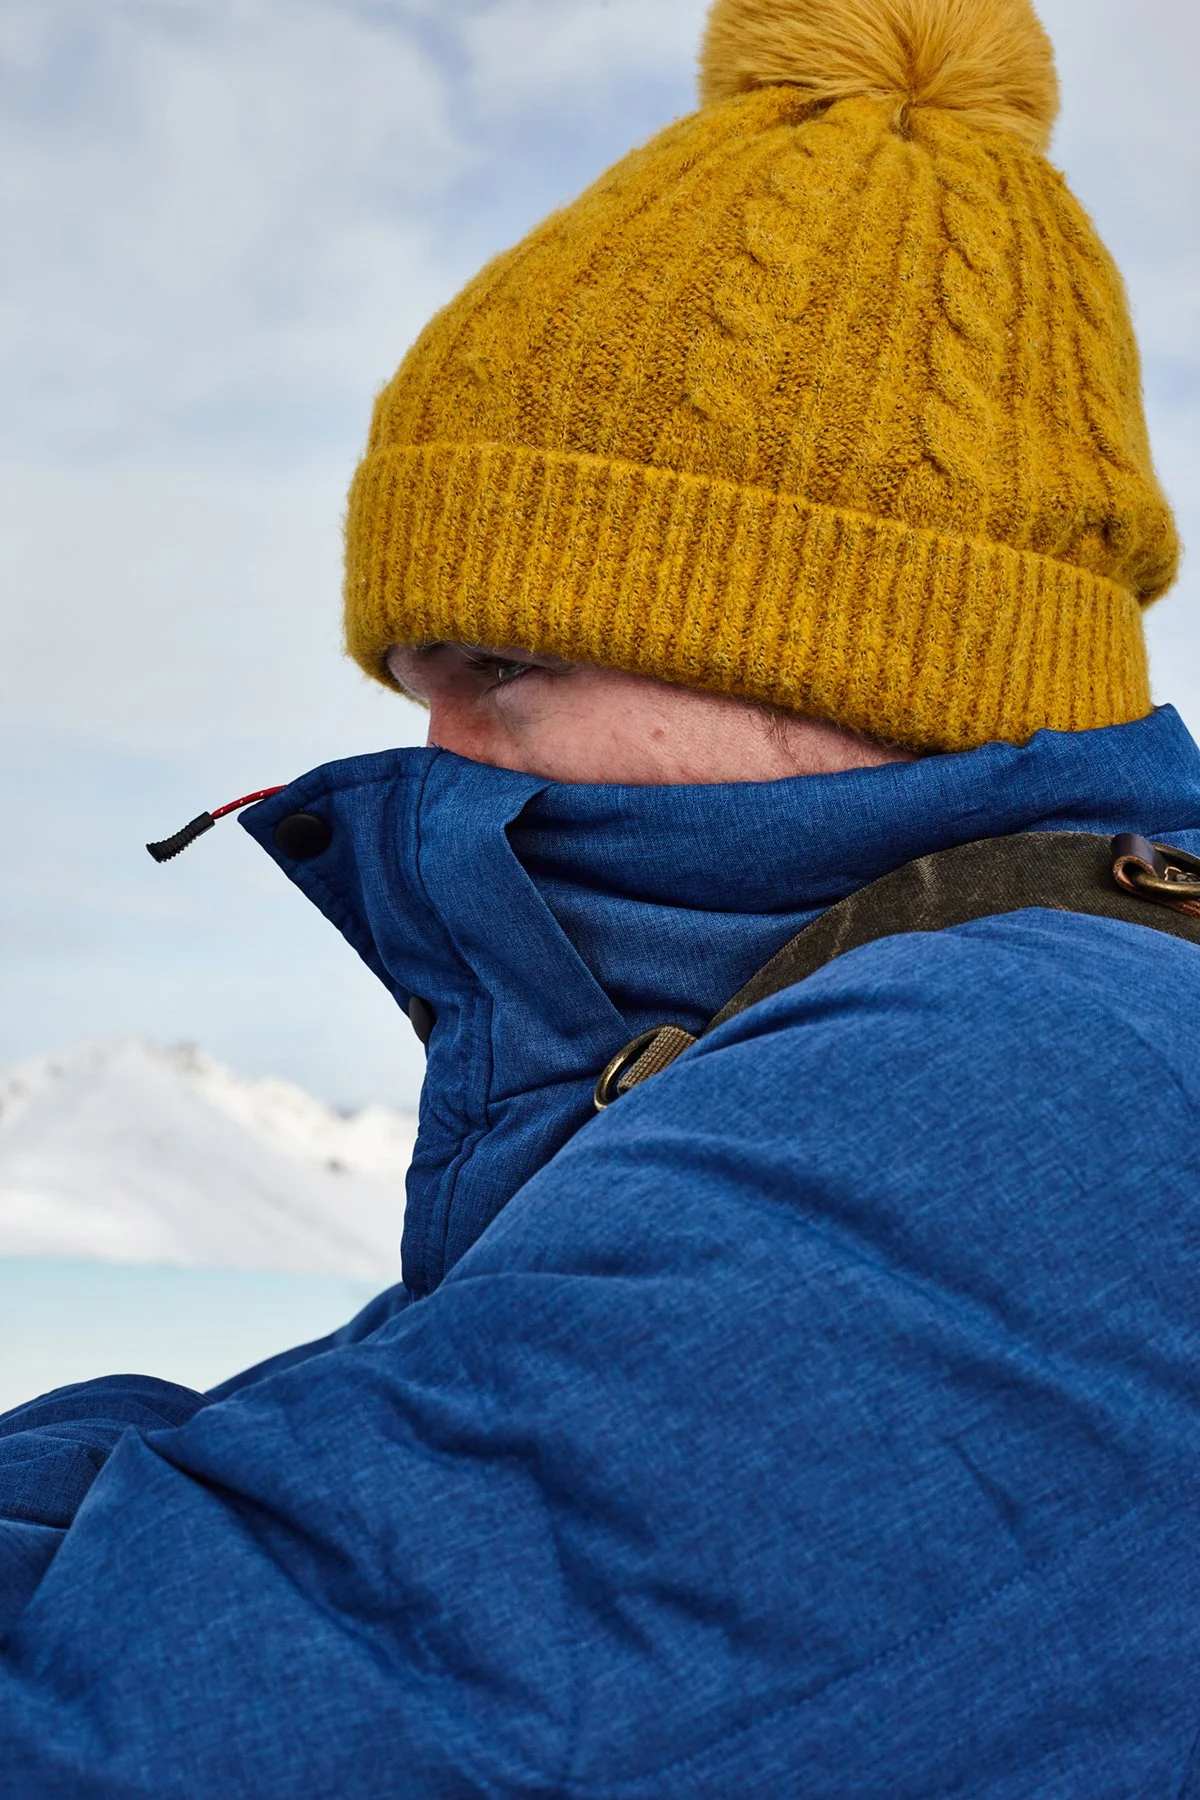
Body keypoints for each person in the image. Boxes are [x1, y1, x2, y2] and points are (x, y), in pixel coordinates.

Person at [3, 0, 1200, 1792]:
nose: (435, 752)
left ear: (844, 648)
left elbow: (199, 1720)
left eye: (497, 664)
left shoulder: (1002, 1089)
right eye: (413, 674)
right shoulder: (921, 1027)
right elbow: (360, 1477)